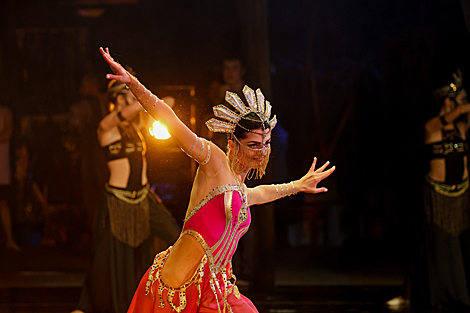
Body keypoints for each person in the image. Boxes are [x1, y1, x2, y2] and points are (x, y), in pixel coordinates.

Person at [100, 47, 335, 312]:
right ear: (234, 143)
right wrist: (134, 85)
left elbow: (258, 194)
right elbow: (171, 121)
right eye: (254, 144)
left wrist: (297, 185)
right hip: (180, 287)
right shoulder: (213, 160)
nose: (262, 152)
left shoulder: (238, 184)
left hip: (217, 290)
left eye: (266, 143)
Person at [72, 73, 181, 313]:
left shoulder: (137, 128)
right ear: (119, 100)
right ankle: (92, 305)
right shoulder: (106, 128)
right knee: (106, 258)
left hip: (144, 198)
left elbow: (170, 102)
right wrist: (142, 99)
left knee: (176, 237)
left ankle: (174, 297)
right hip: (117, 201)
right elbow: (126, 113)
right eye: (130, 96)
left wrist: (152, 102)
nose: (135, 101)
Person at [423, 69, 470, 309]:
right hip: (438, 194)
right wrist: (460, 107)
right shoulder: (432, 127)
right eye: (456, 101)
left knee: (459, 244)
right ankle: (441, 295)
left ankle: (461, 294)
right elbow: (439, 123)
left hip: (461, 193)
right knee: (441, 246)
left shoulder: (462, 128)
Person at [0, 105, 20, 251]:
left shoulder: (5, 112)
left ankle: (9, 239)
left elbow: (6, 136)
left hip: (2, 166)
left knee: (3, 201)